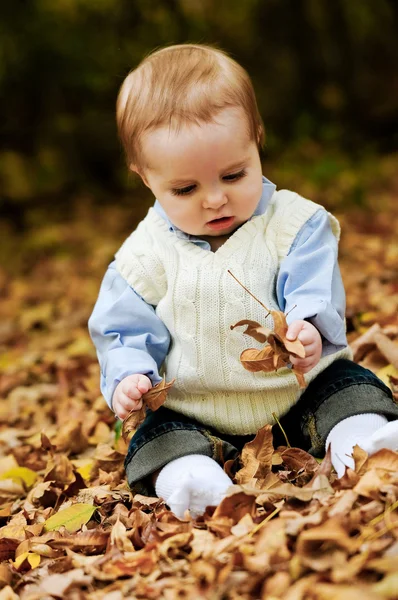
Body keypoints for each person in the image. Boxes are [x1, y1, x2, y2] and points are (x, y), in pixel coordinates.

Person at [89, 44, 398, 518]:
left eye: (234, 175)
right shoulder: (142, 257)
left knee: (349, 389)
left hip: (299, 392)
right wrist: (130, 375)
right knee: (160, 439)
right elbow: (123, 330)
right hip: (196, 410)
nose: (215, 199)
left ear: (257, 140)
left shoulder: (292, 224)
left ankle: (358, 446)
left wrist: (307, 326)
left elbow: (311, 286)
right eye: (186, 189)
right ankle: (196, 482)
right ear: (145, 178)